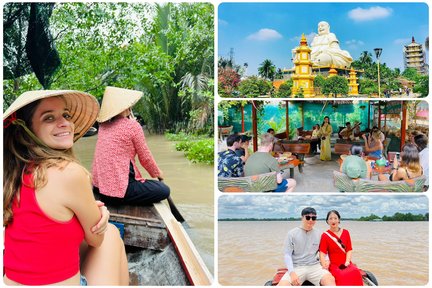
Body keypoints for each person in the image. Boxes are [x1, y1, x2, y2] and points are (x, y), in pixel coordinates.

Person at [3, 90, 129, 285]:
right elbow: (96, 240)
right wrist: (101, 212)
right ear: (27, 130)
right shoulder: (69, 173)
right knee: (111, 234)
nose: (64, 123)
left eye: (66, 115)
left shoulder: (12, 175)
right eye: (49, 118)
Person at [92, 86, 170, 205]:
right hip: (118, 193)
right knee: (164, 190)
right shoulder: (132, 126)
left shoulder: (103, 126)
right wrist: (157, 173)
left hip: (99, 187)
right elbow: (145, 157)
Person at [278, 207, 335, 286]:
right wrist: (291, 272)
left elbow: (324, 251)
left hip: (315, 266)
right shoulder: (292, 234)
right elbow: (287, 254)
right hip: (297, 267)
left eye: (313, 218)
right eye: (308, 217)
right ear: (302, 218)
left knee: (330, 279)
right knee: (282, 285)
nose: (311, 220)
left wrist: (327, 260)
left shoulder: (319, 234)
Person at [319, 210, 363, 286]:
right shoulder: (325, 235)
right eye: (330, 218)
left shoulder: (346, 232)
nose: (333, 220)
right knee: (341, 275)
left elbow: (349, 249)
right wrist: (324, 266)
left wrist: (347, 262)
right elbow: (322, 253)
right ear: (327, 221)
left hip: (346, 262)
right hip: (334, 264)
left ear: (339, 220)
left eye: (335, 218)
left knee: (355, 271)